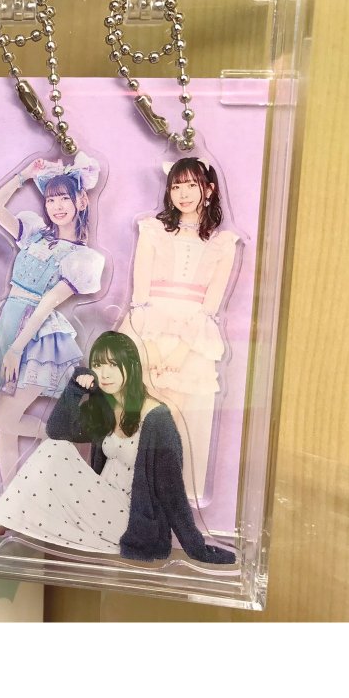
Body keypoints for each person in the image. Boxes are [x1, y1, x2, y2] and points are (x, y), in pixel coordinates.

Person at [0, 331, 235, 565]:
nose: (105, 374)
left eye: (113, 365)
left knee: (55, 452)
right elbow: (58, 431)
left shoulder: (157, 418)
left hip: (132, 524)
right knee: (55, 448)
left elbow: (173, 493)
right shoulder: (106, 409)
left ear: (131, 366)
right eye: (99, 365)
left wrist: (197, 549)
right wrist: (75, 389)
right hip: (100, 508)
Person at [120, 157, 239, 499]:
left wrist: (180, 354)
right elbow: (140, 296)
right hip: (147, 331)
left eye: (191, 185)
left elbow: (210, 307)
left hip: (191, 341)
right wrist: (151, 349)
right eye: (176, 186)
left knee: (175, 415)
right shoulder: (153, 231)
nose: (183, 193)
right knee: (136, 411)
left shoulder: (222, 243)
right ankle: (127, 489)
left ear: (208, 190)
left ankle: (166, 496)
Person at [0, 153, 104, 485]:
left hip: (37, 336)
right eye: (51, 199)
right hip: (5, 322)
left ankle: (71, 434)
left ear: (81, 201)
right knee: (5, 427)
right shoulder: (35, 234)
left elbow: (47, 304)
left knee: (3, 419)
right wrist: (23, 175)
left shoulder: (81, 258)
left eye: (64, 198)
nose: (56, 206)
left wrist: (16, 349)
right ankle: (7, 498)